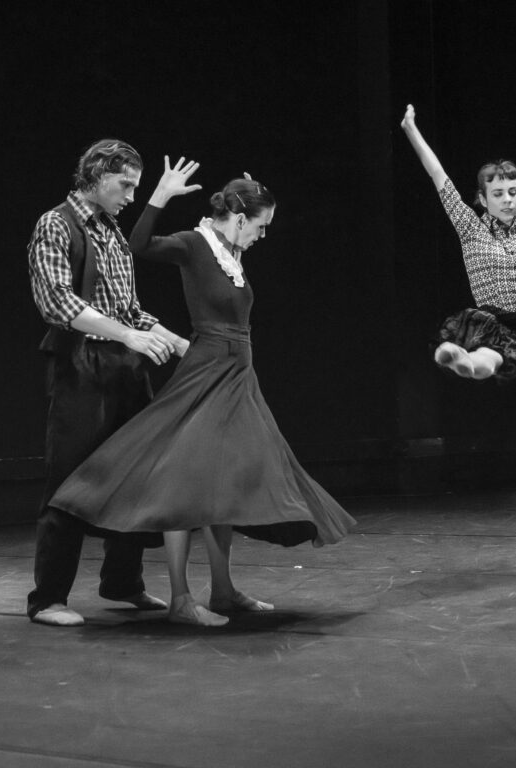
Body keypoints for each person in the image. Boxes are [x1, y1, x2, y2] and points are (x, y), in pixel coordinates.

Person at [50, 157, 355, 627]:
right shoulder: (196, 243)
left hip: (238, 375)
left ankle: (224, 590)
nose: (263, 234)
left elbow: (235, 287)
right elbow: (139, 245)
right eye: (260, 225)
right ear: (237, 220)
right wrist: (159, 197)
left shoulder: (232, 252)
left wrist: (250, 193)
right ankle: (180, 598)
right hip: (207, 371)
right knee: (184, 481)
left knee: (224, 482)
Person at [27, 139, 190, 627]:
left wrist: (179, 342)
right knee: (71, 481)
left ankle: (123, 582)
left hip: (125, 366)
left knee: (137, 476)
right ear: (97, 175)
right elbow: (56, 301)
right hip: (82, 367)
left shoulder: (114, 231)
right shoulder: (57, 224)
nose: (131, 195)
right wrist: (130, 337)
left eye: (137, 186)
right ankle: (48, 598)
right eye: (126, 184)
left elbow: (129, 308)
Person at [400, 87, 516, 380]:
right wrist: (411, 130)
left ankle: (464, 359)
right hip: (493, 320)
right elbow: (439, 177)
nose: (508, 200)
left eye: (513, 193)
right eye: (499, 194)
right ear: (483, 198)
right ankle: (462, 360)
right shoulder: (471, 229)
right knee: (489, 358)